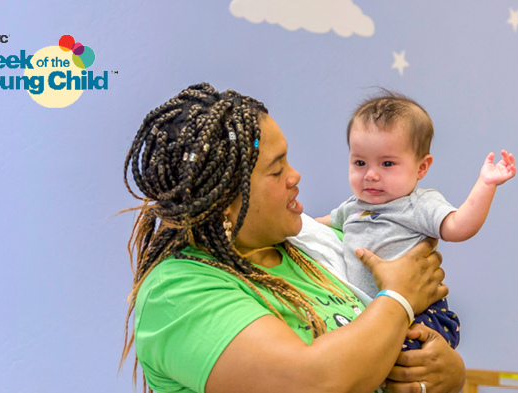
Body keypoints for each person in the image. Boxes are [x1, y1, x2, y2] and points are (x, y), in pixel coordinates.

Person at [119, 83, 466, 393]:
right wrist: (399, 298)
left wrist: (449, 375)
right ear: (224, 199)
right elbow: (311, 381)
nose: (295, 175)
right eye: (277, 168)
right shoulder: (178, 291)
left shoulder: (321, 244)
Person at [316, 92, 517, 350]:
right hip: (367, 311)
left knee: (394, 359)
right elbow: (318, 223)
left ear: (421, 168)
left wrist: (486, 185)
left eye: (387, 163)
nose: (371, 175)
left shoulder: (418, 204)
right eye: (360, 162)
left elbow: (459, 226)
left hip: (419, 313)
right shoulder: (352, 207)